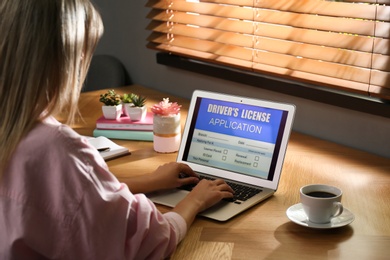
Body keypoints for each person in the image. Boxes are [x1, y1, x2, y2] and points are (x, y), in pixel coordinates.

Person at [0, 0, 234, 259]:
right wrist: (195, 201)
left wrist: (151, 181)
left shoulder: (15, 134)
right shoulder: (57, 149)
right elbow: (149, 240)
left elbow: (68, 197)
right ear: (62, 61)